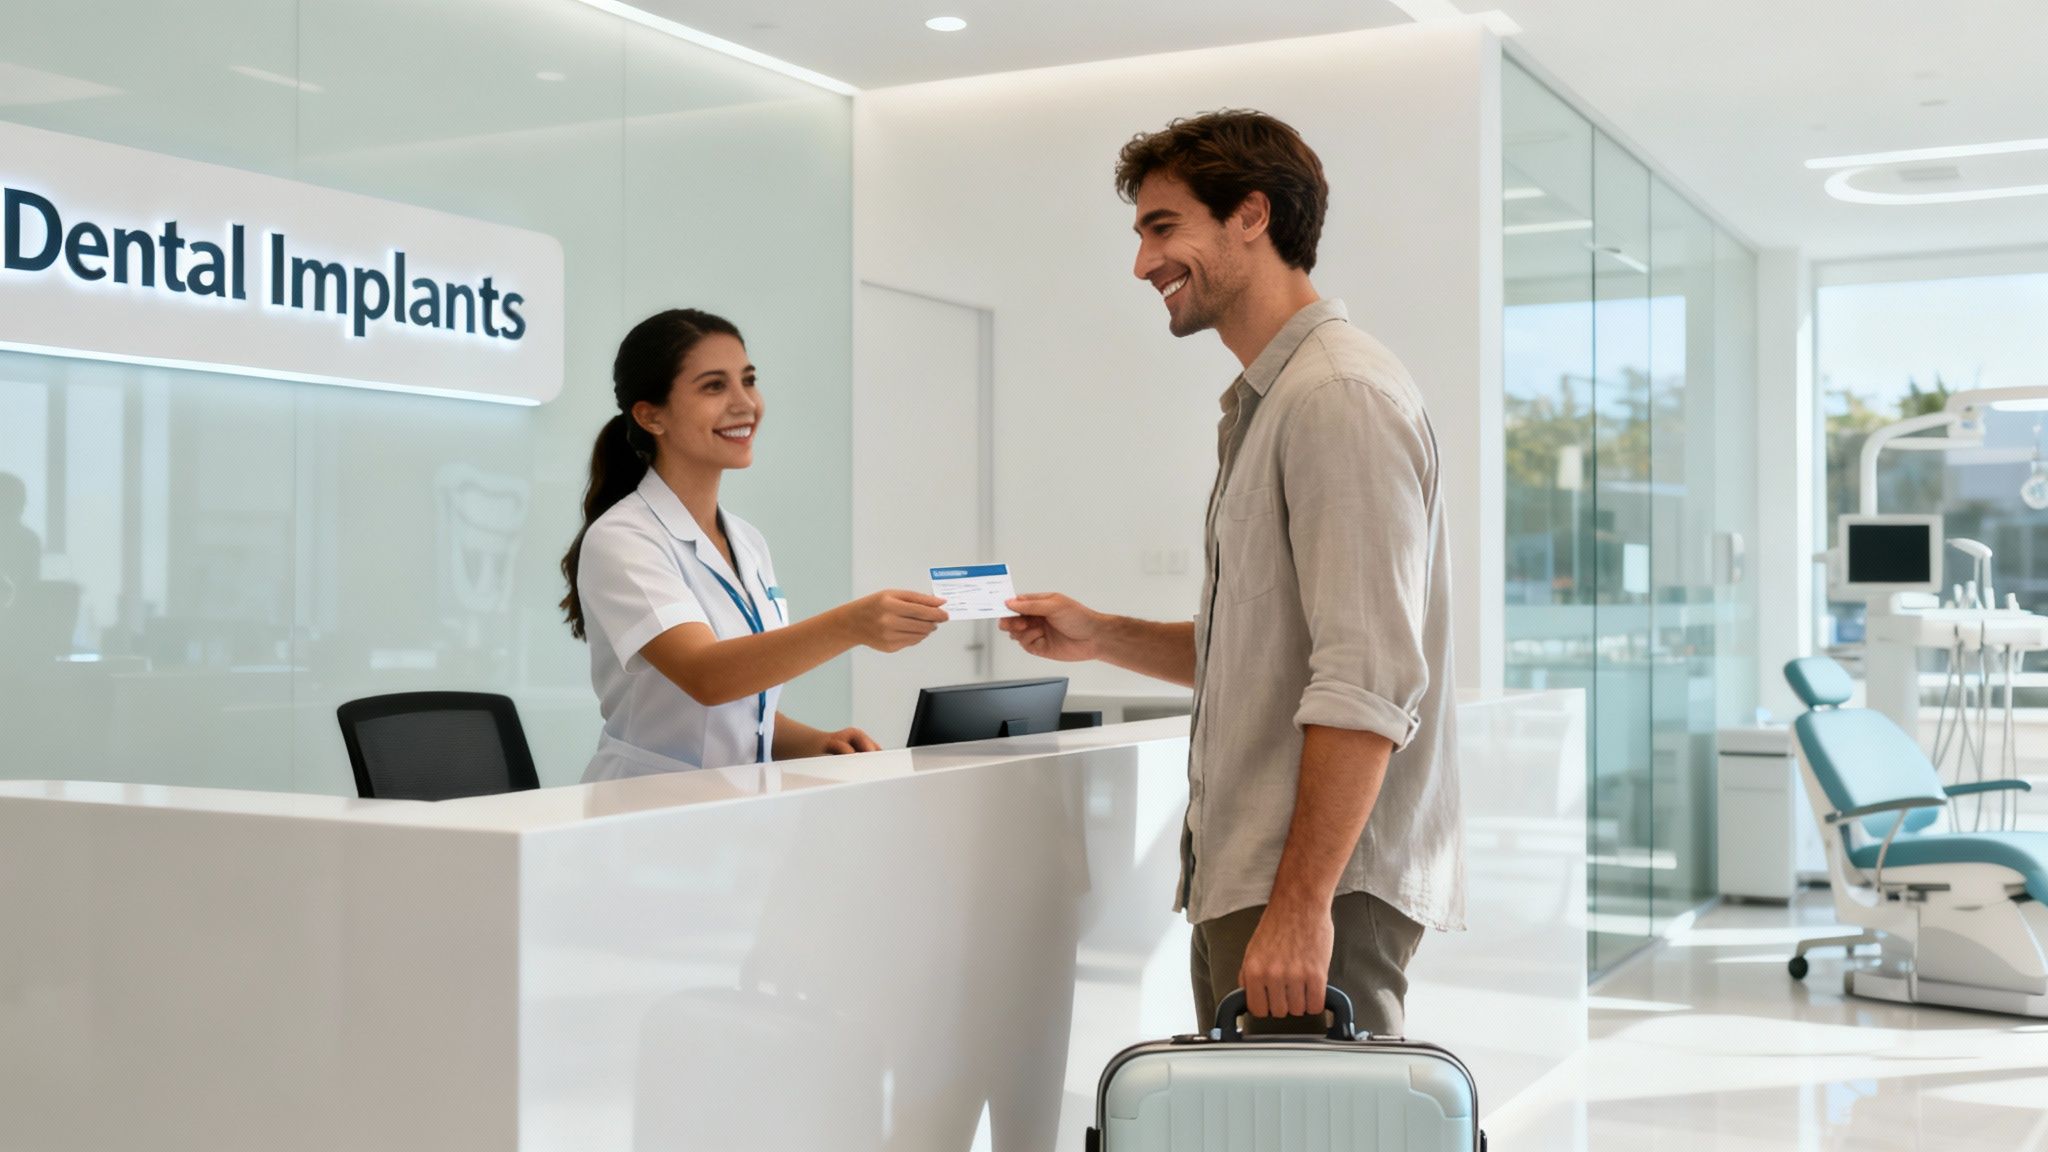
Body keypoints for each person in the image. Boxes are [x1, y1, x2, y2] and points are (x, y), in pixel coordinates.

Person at [999, 111, 1463, 1038]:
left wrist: (1299, 908)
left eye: (1162, 228)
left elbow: (1367, 682)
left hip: (1311, 895)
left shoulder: (1336, 398)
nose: (1142, 264)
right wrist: (1102, 635)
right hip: (1258, 880)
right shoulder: (1274, 400)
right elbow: (1262, 653)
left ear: (1251, 216)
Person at [562, 309, 949, 781]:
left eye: (748, 380)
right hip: (643, 805)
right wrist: (853, 624)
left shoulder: (746, 541)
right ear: (650, 416)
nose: (745, 403)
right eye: (714, 386)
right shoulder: (622, 539)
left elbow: (736, 705)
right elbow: (708, 677)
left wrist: (813, 742)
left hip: (735, 808)